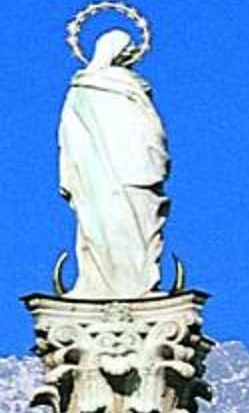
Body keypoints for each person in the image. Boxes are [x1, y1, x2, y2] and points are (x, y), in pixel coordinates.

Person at [57, 26, 169, 299]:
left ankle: (138, 282)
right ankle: (100, 282)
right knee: (102, 224)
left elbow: (150, 132)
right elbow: (71, 137)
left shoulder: (115, 88)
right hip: (101, 173)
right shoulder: (87, 90)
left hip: (129, 170)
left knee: (131, 223)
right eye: (126, 49)